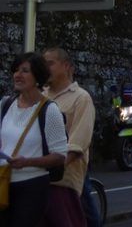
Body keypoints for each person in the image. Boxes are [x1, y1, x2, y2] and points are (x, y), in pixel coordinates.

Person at [0, 52, 68, 227]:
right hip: (3, 181)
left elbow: (60, 156)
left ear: (37, 77)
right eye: (16, 70)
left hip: (32, 187)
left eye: (24, 71)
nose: (17, 75)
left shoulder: (50, 110)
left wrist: (27, 162)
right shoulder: (5, 104)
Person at [42, 47, 97, 227]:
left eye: (50, 63)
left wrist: (52, 166)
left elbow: (78, 143)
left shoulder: (81, 99)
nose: (45, 68)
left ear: (66, 66)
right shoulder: (39, 96)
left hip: (65, 180)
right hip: (39, 179)